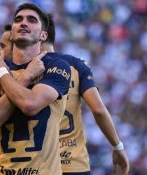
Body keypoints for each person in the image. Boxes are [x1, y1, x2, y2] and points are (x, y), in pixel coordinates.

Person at [0, 3, 71, 175]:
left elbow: (30, 105)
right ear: (13, 33)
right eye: (18, 19)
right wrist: (23, 77)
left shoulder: (56, 66)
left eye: (31, 20)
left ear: (43, 35)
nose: (23, 22)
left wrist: (3, 74)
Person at [41, 14, 130, 175]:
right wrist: (118, 147)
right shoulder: (75, 65)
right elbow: (99, 110)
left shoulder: (19, 72)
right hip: (73, 165)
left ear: (41, 34)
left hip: (36, 165)